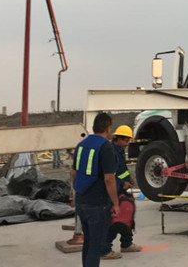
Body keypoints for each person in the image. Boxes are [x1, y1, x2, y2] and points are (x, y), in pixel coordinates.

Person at [73, 112, 120, 266]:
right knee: (96, 246)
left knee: (88, 243)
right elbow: (109, 178)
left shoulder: (81, 145)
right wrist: (116, 203)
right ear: (108, 128)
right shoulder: (105, 147)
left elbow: (74, 173)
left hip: (82, 201)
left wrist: (77, 194)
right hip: (98, 204)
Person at [102, 125, 141, 258]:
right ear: (118, 139)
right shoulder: (111, 152)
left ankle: (126, 244)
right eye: (126, 140)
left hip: (122, 190)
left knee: (127, 216)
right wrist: (121, 183)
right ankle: (105, 250)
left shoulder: (118, 152)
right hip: (114, 192)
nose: (127, 144)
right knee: (115, 221)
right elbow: (109, 176)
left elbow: (121, 170)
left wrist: (128, 178)